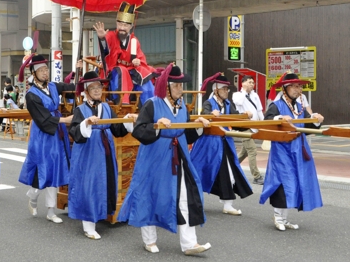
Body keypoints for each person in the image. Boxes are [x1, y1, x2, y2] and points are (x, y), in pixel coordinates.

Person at [118, 63, 211, 256]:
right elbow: (139, 130)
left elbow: (186, 133)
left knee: (185, 196)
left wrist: (199, 127)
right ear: (166, 86)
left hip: (179, 157)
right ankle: (149, 240)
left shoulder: (183, 107)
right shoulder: (152, 103)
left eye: (181, 85)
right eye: (176, 85)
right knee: (150, 194)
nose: (180, 89)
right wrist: (157, 126)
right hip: (155, 156)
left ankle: (189, 244)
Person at [68, 71, 135, 239]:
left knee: (104, 183)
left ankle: (100, 215)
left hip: (105, 150)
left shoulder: (107, 108)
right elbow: (75, 132)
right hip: (88, 153)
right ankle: (88, 225)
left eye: (99, 86)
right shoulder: (80, 110)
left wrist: (126, 120)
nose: (97, 90)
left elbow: (117, 130)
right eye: (93, 87)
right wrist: (86, 123)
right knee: (89, 184)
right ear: (86, 91)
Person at [18, 54, 77, 224]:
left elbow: (72, 87)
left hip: (57, 131)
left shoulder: (52, 86)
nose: (45, 73)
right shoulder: (31, 95)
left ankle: (51, 211)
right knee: (44, 168)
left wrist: (78, 72)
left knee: (56, 169)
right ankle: (33, 195)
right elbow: (42, 118)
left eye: (46, 69)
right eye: (41, 70)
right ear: (34, 74)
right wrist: (64, 120)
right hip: (43, 134)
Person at [261, 72, 324, 231]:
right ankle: (277, 216)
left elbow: (305, 129)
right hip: (282, 150)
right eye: (295, 86)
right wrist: (279, 119)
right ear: (286, 88)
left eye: (300, 86)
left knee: (295, 181)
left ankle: (284, 218)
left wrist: (315, 121)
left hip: (298, 148)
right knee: (283, 181)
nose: (299, 89)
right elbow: (266, 123)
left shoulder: (299, 106)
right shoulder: (276, 106)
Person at [190, 73, 253, 215]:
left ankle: (228, 203)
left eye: (227, 89)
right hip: (208, 145)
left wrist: (245, 117)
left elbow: (235, 121)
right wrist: (211, 115)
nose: (226, 91)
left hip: (225, 142)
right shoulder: (208, 103)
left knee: (228, 172)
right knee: (199, 171)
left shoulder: (228, 104)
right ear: (216, 90)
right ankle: (193, 200)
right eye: (224, 89)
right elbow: (205, 117)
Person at [93, 2, 156, 105]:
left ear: (130, 26)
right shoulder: (110, 36)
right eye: (120, 24)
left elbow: (141, 59)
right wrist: (102, 38)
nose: (122, 27)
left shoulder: (134, 40)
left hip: (130, 70)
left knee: (145, 73)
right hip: (113, 71)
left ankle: (150, 104)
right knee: (121, 70)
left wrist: (137, 61)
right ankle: (123, 101)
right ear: (116, 24)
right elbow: (105, 50)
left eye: (125, 25)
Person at [232, 75, 265, 185]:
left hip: (254, 127)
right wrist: (245, 91)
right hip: (244, 127)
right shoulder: (237, 95)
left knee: (244, 152)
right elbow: (239, 103)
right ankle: (256, 176)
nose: (252, 84)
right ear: (243, 83)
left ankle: (231, 167)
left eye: (253, 83)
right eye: (249, 82)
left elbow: (259, 110)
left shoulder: (255, 95)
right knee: (252, 150)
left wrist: (264, 123)